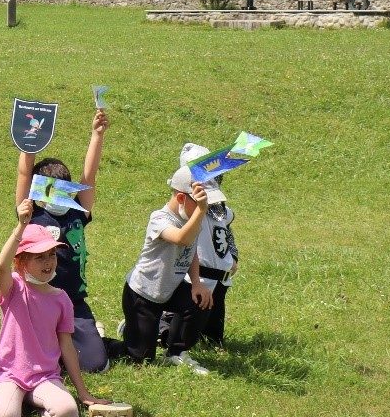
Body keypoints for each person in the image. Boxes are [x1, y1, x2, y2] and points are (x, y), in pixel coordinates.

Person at [0, 201, 108, 417]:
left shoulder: (61, 298)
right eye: (39, 256)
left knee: (69, 414)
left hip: (45, 376)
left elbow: (67, 346)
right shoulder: (13, 287)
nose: (49, 262)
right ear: (20, 262)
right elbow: (1, 266)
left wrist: (83, 392)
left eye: (51, 254)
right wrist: (20, 227)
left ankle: (34, 403)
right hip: (10, 374)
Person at [15, 108, 110, 371]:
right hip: (38, 300)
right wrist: (29, 144)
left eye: (64, 191)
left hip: (73, 301)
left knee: (95, 364)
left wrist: (97, 136)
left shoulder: (77, 210)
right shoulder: (32, 213)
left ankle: (92, 336)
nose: (59, 197)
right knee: (41, 362)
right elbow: (24, 175)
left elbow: (89, 177)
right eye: (50, 190)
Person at [115, 165, 217, 372]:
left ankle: (176, 352)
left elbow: (192, 250)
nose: (203, 209)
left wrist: (196, 283)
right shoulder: (159, 218)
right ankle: (121, 334)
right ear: (181, 198)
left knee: (201, 301)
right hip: (142, 295)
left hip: (170, 288)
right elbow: (181, 239)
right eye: (197, 203)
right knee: (142, 359)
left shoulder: (191, 218)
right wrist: (201, 210)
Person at [176, 143, 239, 348]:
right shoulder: (188, 208)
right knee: (182, 331)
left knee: (213, 339)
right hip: (198, 278)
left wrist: (233, 257)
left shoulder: (221, 209)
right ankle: (159, 326)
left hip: (221, 280)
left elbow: (226, 232)